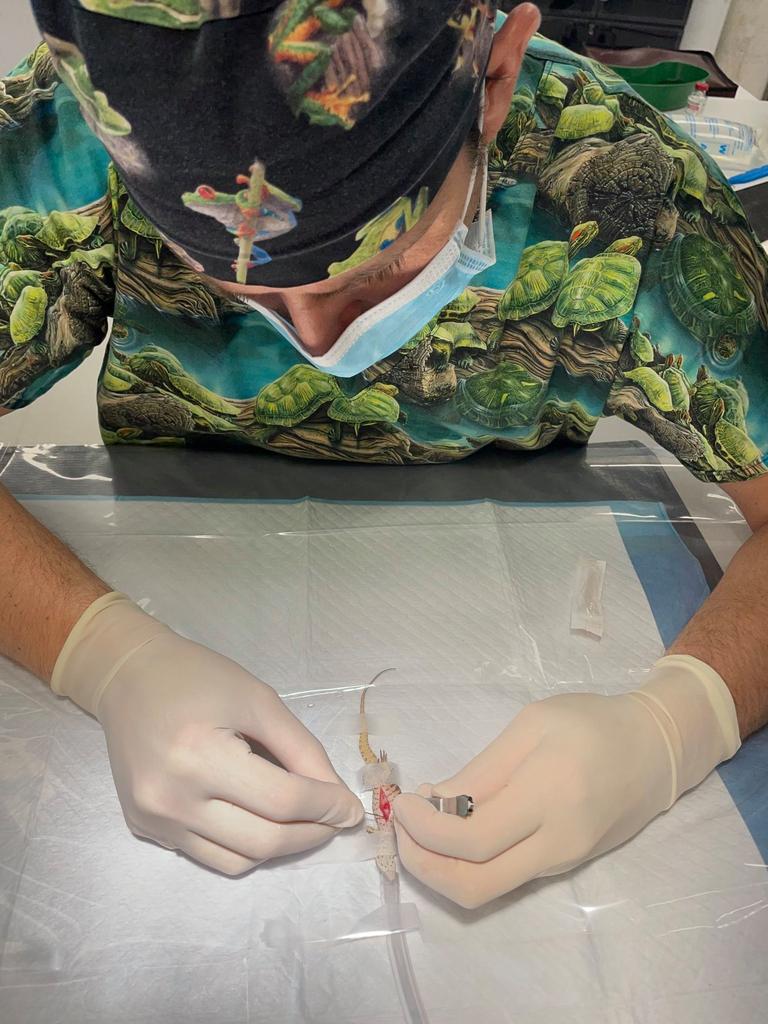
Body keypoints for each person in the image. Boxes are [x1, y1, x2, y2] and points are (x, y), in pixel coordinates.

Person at [0, 0, 766, 907]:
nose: (319, 340)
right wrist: (98, 650)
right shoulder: (65, 141)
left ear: (496, 75)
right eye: (247, 294)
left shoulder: (630, 191)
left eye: (380, 266)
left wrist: (678, 721)